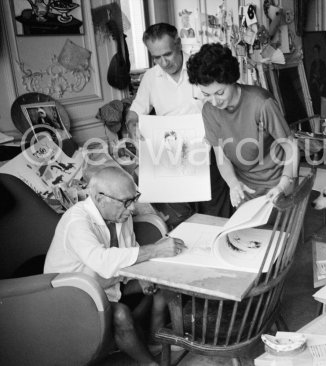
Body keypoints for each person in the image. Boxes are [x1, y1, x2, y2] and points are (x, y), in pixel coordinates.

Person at [44, 166, 186, 366]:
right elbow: (102, 261)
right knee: (120, 314)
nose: (132, 208)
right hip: (74, 295)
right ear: (100, 198)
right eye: (126, 202)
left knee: (162, 284)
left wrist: (143, 276)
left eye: (134, 199)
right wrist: (155, 250)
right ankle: (150, 363)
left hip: (107, 284)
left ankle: (155, 338)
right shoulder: (76, 222)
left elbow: (129, 251)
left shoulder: (120, 215)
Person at [125, 23, 231, 218]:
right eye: (156, 57)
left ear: (178, 44)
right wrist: (133, 126)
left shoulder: (201, 69)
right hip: (173, 156)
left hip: (210, 151)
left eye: (168, 54)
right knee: (182, 215)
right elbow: (134, 114)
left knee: (216, 212)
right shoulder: (150, 78)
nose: (164, 63)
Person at [186, 43, 299, 207]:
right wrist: (233, 184)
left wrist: (283, 185)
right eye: (206, 95)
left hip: (278, 181)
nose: (215, 101)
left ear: (232, 80)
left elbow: (291, 147)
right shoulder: (209, 111)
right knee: (247, 232)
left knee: (281, 232)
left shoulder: (261, 103)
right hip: (244, 187)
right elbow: (221, 156)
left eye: (220, 93)